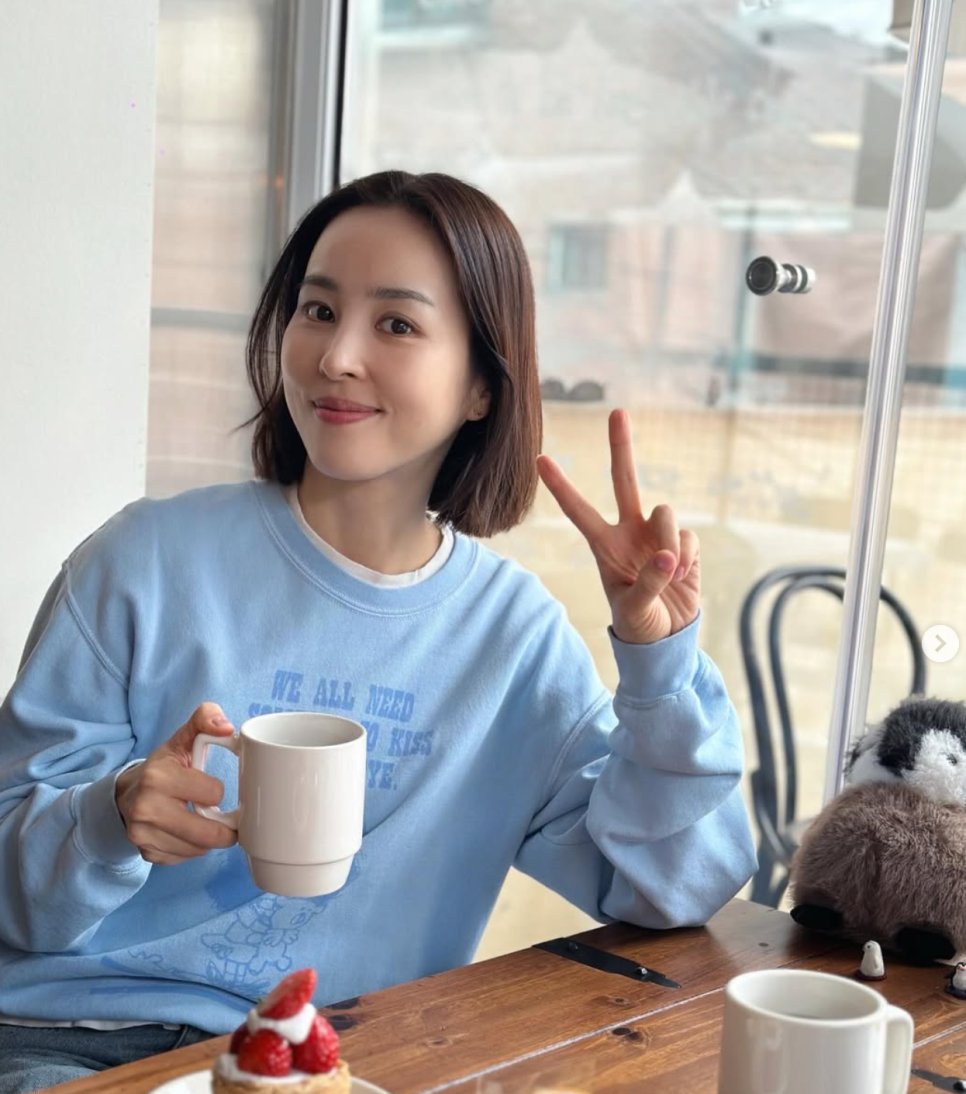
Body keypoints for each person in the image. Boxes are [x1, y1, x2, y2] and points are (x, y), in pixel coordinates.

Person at [0, 170, 756, 1090]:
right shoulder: (142, 563)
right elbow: (9, 890)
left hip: (338, 1062)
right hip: (67, 1039)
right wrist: (109, 817)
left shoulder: (512, 641)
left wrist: (659, 665)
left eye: (396, 323)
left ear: (482, 385)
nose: (337, 356)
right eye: (318, 311)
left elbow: (678, 888)